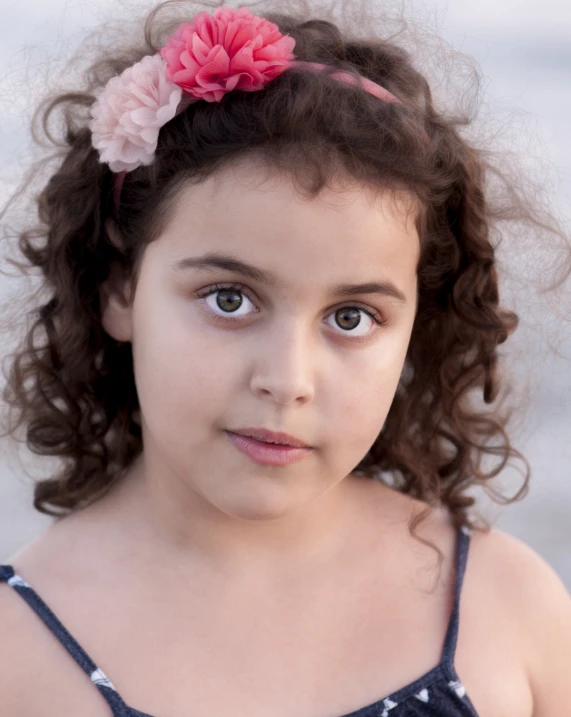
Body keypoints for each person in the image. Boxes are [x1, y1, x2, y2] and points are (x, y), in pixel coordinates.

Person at [0, 1, 569, 715]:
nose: (287, 380)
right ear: (119, 287)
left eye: (351, 316)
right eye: (229, 299)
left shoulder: (505, 605)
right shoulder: (16, 651)